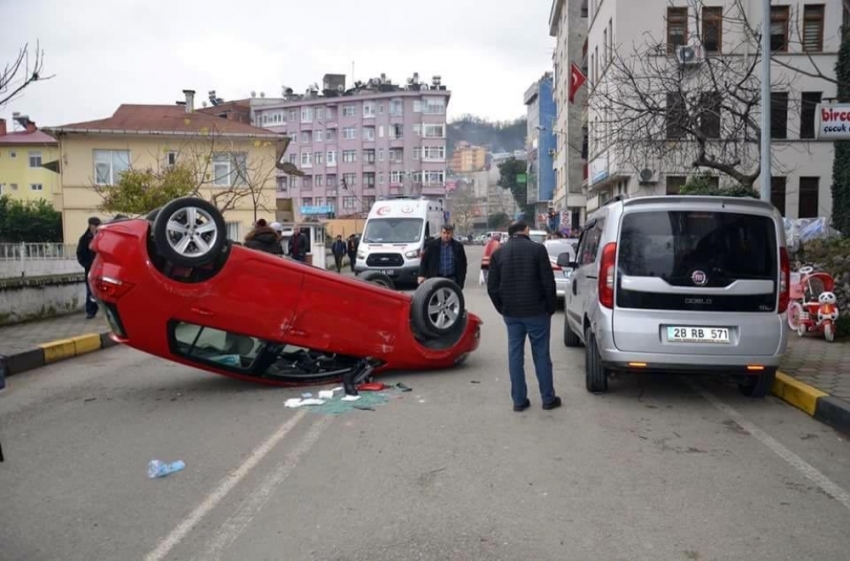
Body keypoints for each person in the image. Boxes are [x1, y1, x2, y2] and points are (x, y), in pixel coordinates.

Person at [487, 221, 560, 412]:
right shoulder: (538, 250)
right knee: (542, 354)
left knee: (515, 355)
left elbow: (492, 287)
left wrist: (502, 308)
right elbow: (548, 283)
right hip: (537, 311)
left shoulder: (498, 254)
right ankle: (548, 398)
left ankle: (519, 400)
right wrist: (550, 308)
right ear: (526, 231)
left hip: (512, 313)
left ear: (509, 234)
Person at [76, 216, 101, 319]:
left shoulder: (101, 236)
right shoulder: (84, 239)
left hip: (101, 269)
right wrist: (87, 264)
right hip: (90, 269)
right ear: (90, 226)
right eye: (95, 225)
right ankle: (90, 311)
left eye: (98, 225)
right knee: (90, 291)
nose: (96, 227)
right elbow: (80, 254)